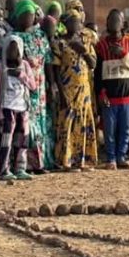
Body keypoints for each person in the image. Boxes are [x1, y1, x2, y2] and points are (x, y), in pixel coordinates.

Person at [53, 10, 98, 171]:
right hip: (67, 89)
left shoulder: (86, 41)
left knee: (83, 124)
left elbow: (93, 64)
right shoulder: (59, 43)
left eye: (78, 22)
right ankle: (66, 161)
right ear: (65, 24)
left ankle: (82, 160)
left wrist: (83, 51)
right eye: (72, 21)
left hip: (84, 90)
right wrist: (59, 91)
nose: (76, 25)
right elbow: (55, 70)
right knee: (67, 124)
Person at [13, 0, 54, 172]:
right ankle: (26, 164)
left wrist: (52, 84)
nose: (28, 18)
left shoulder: (41, 36)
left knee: (41, 124)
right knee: (26, 125)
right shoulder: (14, 38)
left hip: (41, 84)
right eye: (25, 15)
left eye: (31, 15)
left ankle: (41, 162)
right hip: (24, 86)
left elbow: (48, 62)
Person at [95, 9, 129, 170]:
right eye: (110, 20)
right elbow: (97, 73)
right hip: (109, 93)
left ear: (122, 23)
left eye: (117, 20)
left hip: (126, 92)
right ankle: (111, 158)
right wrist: (101, 92)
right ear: (106, 23)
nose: (113, 23)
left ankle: (122, 156)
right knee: (109, 130)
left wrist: (123, 54)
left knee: (125, 128)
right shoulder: (101, 46)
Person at [0, 35, 35, 180]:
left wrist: (21, 75)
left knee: (22, 139)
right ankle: (3, 169)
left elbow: (33, 86)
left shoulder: (25, 66)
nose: (12, 53)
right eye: (9, 49)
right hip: (7, 108)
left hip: (22, 107)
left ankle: (20, 168)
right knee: (6, 140)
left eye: (15, 49)